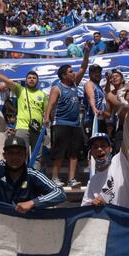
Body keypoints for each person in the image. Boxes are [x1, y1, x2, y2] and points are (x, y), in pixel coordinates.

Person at [0, 116, 64, 212]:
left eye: (19, 153)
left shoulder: (33, 175)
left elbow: (59, 193)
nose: (15, 157)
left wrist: (33, 203)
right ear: (4, 155)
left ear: (25, 155)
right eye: (10, 153)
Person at [83, 103, 129, 207]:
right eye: (95, 147)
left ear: (110, 149)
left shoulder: (120, 161)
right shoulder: (92, 181)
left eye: (103, 146)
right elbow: (85, 209)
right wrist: (94, 204)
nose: (99, 149)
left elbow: (127, 136)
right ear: (92, 153)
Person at [45, 59, 89, 187]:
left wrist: (87, 52)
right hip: (61, 123)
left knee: (74, 153)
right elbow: (51, 104)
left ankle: (71, 179)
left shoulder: (75, 85)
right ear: (64, 75)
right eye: (70, 72)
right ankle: (54, 178)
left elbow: (84, 67)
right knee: (60, 152)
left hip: (75, 124)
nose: (73, 73)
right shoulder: (57, 88)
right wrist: (47, 117)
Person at [0, 66, 46, 148]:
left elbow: (46, 112)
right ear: (26, 81)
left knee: (37, 157)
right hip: (22, 128)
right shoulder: (20, 90)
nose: (31, 79)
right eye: (29, 78)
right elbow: (6, 80)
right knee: (21, 155)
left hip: (37, 129)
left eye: (34, 78)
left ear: (37, 81)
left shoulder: (43, 94)